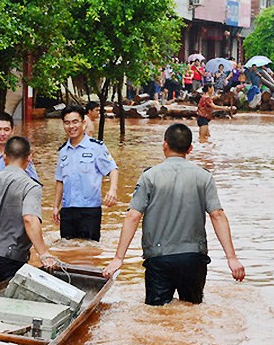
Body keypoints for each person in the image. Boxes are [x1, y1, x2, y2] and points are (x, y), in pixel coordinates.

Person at [102, 123, 245, 305]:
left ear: (165, 145)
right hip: (193, 257)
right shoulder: (204, 177)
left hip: (159, 258)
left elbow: (133, 216)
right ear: (190, 149)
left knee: (157, 316)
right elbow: (217, 215)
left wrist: (118, 258)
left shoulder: (149, 177)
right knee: (192, 313)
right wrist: (231, 258)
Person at [0, 136, 57, 287]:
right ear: (29, 158)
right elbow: (29, 219)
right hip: (11, 257)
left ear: (4, 156)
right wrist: (43, 253)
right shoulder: (30, 186)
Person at [53, 105, 119, 241]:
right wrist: (55, 206)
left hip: (90, 210)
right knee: (67, 251)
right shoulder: (63, 151)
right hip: (68, 210)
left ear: (83, 123)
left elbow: (112, 169)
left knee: (90, 253)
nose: (71, 126)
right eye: (67, 123)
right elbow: (60, 180)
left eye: (75, 122)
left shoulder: (96, 147)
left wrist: (112, 190)